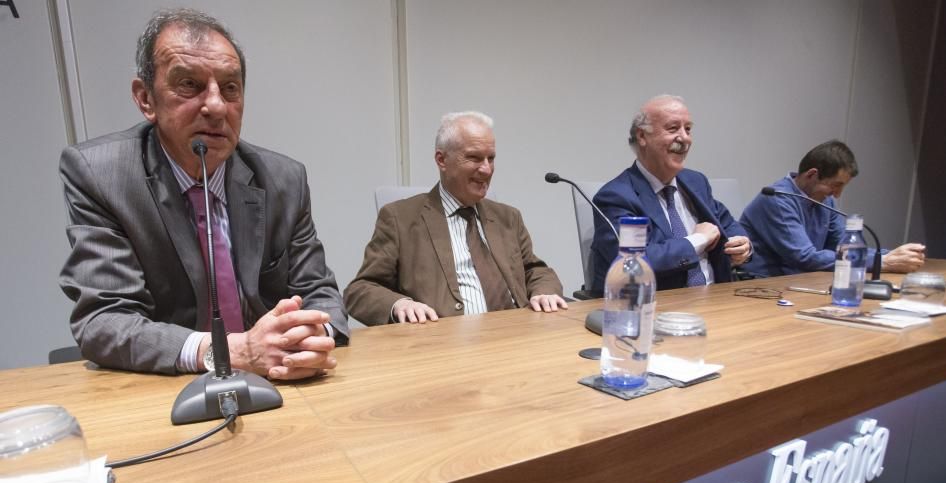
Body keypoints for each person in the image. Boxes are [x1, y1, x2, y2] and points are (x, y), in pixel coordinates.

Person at [59, 8, 348, 381]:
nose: (215, 106)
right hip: (167, 388)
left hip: (279, 379)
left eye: (230, 88)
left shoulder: (283, 179)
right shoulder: (102, 175)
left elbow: (322, 294)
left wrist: (306, 339)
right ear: (145, 98)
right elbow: (104, 321)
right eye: (189, 85)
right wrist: (229, 352)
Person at [345, 111, 566, 325]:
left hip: (516, 337)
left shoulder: (508, 217)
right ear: (442, 160)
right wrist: (398, 304)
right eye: (474, 158)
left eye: (491, 158)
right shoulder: (399, 218)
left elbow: (535, 270)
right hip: (443, 346)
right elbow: (361, 290)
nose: (487, 169)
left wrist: (543, 292)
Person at [590, 95, 752, 293]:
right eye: (673, 128)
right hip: (655, 308)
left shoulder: (696, 182)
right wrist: (698, 240)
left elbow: (727, 223)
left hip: (718, 298)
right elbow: (634, 263)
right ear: (642, 136)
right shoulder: (616, 196)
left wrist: (742, 244)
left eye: (688, 129)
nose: (684, 138)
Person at [740, 140, 926, 277]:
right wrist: (882, 262)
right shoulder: (778, 199)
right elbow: (805, 258)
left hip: (803, 281)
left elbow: (843, 247)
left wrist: (888, 255)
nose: (837, 194)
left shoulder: (824, 200)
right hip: (764, 286)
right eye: (835, 185)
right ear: (812, 174)